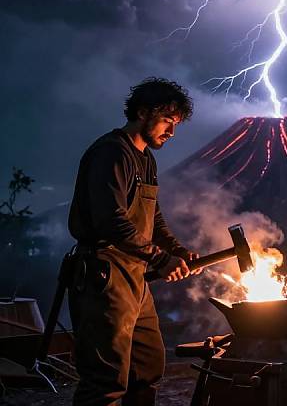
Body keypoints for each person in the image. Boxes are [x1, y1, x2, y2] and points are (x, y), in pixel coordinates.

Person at [68, 77, 200, 405]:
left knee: (147, 366)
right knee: (106, 379)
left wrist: (177, 251)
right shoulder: (112, 153)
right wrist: (160, 260)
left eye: (176, 124)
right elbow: (111, 222)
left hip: (136, 278)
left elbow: (152, 221)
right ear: (143, 112)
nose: (171, 132)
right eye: (168, 121)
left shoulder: (146, 159)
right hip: (104, 275)